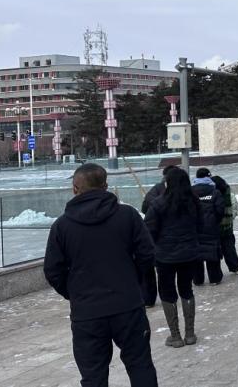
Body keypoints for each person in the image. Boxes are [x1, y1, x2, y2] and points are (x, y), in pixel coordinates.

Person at [44, 163, 158, 387]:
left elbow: (53, 270)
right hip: (127, 306)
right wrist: (131, 281)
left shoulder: (62, 226)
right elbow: (147, 255)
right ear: (106, 186)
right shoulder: (128, 216)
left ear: (75, 189)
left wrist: (75, 293)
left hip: (87, 313)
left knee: (93, 376)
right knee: (140, 365)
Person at [144, 167, 201, 347]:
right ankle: (190, 334)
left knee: (167, 292)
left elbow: (149, 230)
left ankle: (175, 336)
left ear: (168, 183)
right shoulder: (194, 202)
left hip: (165, 256)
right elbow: (201, 225)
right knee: (186, 289)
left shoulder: (158, 203)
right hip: (189, 253)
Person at [140, 165, 179, 308]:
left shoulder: (155, 190)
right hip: (177, 238)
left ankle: (150, 299)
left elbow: (145, 208)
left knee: (156, 269)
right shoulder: (183, 191)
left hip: (158, 238)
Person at [191, 168, 226, 286]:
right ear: (209, 177)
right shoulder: (215, 192)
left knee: (196, 254)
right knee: (212, 252)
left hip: (194, 228)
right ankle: (214, 278)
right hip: (211, 227)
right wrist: (215, 221)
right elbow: (220, 209)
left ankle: (198, 279)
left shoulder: (190, 192)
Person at [211, 174, 238, 275]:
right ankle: (235, 268)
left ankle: (216, 274)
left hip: (214, 228)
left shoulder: (212, 195)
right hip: (228, 227)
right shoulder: (230, 194)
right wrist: (228, 220)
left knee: (215, 251)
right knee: (229, 248)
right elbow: (234, 209)